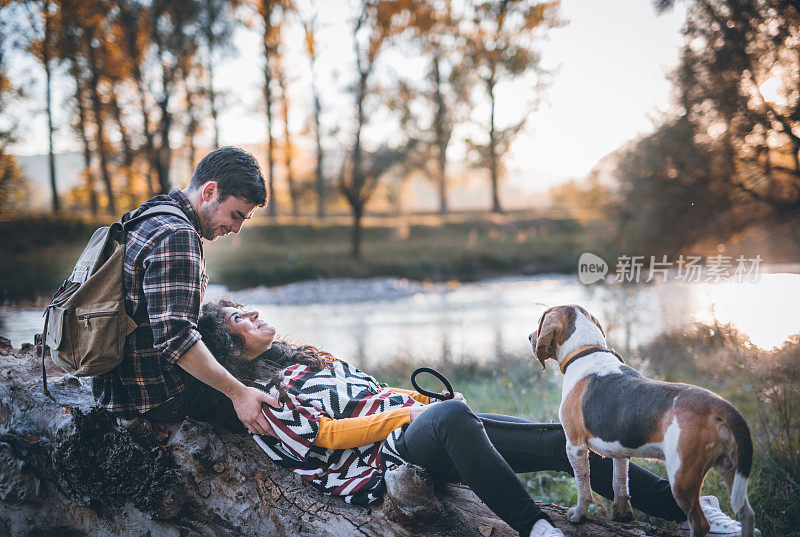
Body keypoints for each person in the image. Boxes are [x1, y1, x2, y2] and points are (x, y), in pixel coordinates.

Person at [196, 298, 753, 537]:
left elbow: (372, 394)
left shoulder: (306, 360)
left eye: (247, 307)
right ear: (228, 343)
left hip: (421, 425)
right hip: (387, 456)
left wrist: (414, 405)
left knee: (561, 441)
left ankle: (685, 511)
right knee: (456, 416)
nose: (253, 315)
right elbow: (325, 437)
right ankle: (534, 525)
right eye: (239, 319)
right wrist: (415, 415)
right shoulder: (258, 395)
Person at [92, 147, 279, 437]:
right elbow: (174, 338)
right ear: (210, 191)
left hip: (116, 388)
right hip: (155, 400)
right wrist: (239, 394)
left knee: (258, 346)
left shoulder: (152, 212)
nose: (236, 228)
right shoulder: (178, 236)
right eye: (235, 214)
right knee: (277, 394)